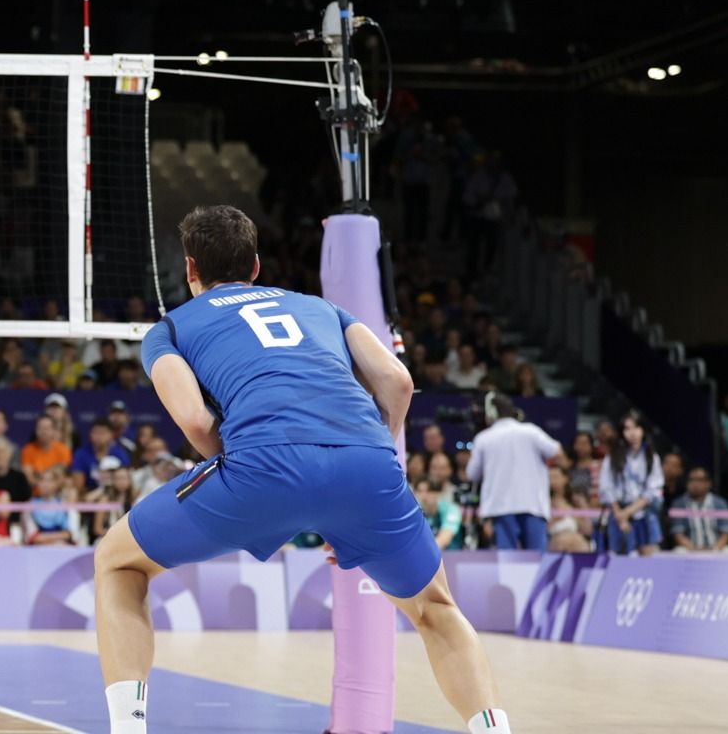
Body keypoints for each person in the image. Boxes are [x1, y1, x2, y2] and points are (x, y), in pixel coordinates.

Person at [93, 206, 510, 734]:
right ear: (256, 265)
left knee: (117, 563)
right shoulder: (323, 308)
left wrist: (268, 477)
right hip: (367, 461)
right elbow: (399, 382)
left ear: (191, 268)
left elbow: (196, 421)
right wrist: (356, 477)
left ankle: (128, 727)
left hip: (261, 462)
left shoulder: (170, 328)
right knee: (435, 608)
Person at [466, 395, 561, 551]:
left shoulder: (483, 438)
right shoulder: (531, 431)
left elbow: (472, 475)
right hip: (533, 505)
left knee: (507, 560)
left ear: (491, 413)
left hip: (501, 508)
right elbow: (557, 452)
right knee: (537, 559)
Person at [598, 409, 663, 556]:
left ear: (643, 430)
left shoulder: (651, 457)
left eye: (636, 428)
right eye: (627, 429)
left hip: (643, 512)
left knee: (647, 556)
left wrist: (627, 513)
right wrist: (620, 516)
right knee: (618, 556)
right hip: (618, 512)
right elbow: (606, 488)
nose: (632, 433)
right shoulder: (613, 457)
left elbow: (653, 490)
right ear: (622, 432)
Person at [670, 465, 728, 553]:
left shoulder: (721, 503)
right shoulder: (678, 504)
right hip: (689, 549)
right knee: (678, 551)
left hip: (716, 548)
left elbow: (726, 532)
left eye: (699, 480)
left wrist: (715, 549)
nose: (695, 484)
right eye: (691, 480)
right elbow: (678, 534)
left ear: (708, 483)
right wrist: (694, 550)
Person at [72, 417, 132, 493]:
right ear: (90, 435)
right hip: (88, 495)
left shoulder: (120, 454)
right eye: (96, 433)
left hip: (115, 493)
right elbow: (78, 486)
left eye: (103, 433)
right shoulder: (81, 454)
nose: (99, 437)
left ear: (111, 435)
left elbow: (127, 481)